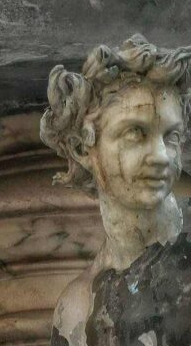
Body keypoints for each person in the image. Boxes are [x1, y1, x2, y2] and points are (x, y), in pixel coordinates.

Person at [40, 34, 191, 346]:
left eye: (172, 137)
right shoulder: (76, 309)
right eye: (136, 132)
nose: (161, 156)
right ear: (82, 147)